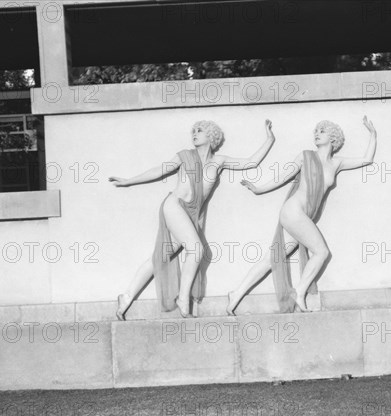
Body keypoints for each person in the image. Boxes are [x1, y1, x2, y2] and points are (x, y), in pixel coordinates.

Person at [110, 119, 275, 319]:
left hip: (190, 215)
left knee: (161, 256)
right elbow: (159, 170)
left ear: (212, 136)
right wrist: (128, 181)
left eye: (200, 130)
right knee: (196, 249)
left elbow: (250, 162)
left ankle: (126, 297)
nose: (194, 133)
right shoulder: (184, 156)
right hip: (174, 206)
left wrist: (269, 138)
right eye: (193, 131)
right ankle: (183, 298)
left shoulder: (219, 161)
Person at [227, 116, 377, 315]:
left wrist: (373, 134)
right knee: (321, 252)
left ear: (333, 138)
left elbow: (366, 159)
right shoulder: (305, 155)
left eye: (322, 131)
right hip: (293, 211)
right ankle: (298, 292)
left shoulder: (337, 163)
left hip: (302, 217)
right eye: (316, 131)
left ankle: (236, 293)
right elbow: (284, 176)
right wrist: (259, 189)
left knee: (272, 258)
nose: (316, 133)